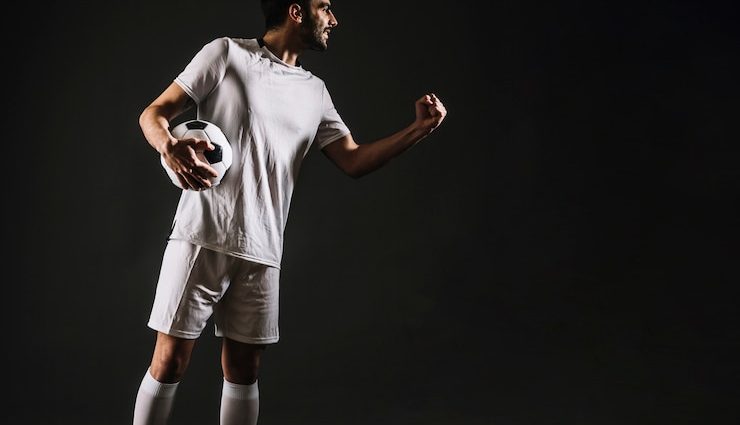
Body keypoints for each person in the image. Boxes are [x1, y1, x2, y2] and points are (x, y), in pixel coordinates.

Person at [132, 0, 447, 424]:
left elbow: (353, 159)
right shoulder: (227, 53)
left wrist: (419, 129)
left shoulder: (315, 91)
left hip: (264, 249)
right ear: (297, 11)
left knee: (244, 371)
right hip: (202, 235)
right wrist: (169, 146)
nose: (333, 19)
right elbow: (154, 113)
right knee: (169, 362)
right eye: (325, 8)